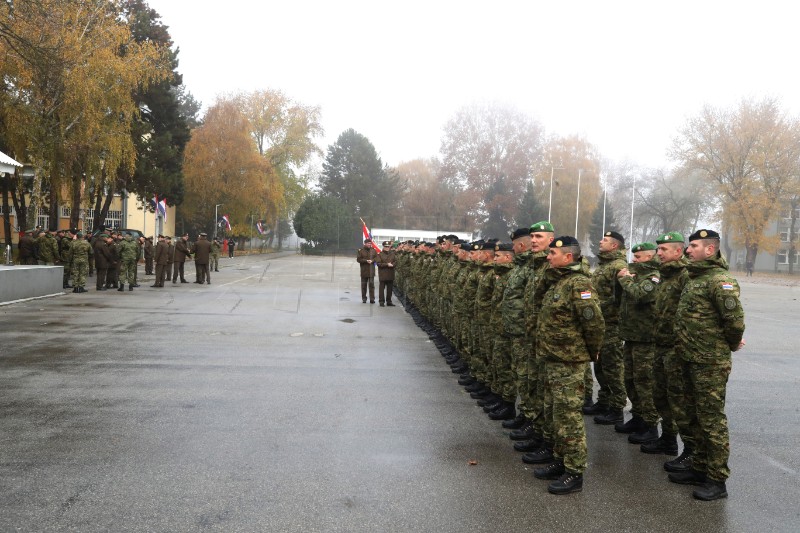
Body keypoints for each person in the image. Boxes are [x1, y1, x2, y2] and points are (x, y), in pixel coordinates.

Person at [668, 229, 745, 501]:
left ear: (710, 250)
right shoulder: (694, 277)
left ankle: (716, 479)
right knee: (692, 415)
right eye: (689, 246)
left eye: (694, 246)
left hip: (709, 362)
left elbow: (734, 322)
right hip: (688, 358)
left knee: (711, 420)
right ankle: (699, 467)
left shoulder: (720, 281)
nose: (688, 250)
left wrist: (730, 345)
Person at [532, 236, 604, 495]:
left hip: (569, 361)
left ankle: (574, 472)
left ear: (568, 256)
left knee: (568, 417)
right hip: (553, 358)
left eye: (553, 253)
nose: (548, 257)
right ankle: (560, 461)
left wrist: (590, 351)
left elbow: (593, 323)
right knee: (554, 413)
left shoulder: (579, 284)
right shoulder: (558, 281)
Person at [616, 242, 661, 443]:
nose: (634, 260)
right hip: (631, 336)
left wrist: (625, 281)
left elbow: (642, 294)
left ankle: (650, 426)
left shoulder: (654, 276)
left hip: (646, 339)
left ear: (650, 257)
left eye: (639, 257)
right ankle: (638, 416)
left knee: (644, 383)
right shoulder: (636, 276)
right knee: (630, 380)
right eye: (634, 257)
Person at [590, 231, 629, 425]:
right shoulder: (604, 265)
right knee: (600, 366)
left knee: (613, 369)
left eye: (604, 240)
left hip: (611, 324)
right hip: (600, 323)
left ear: (614, 246)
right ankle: (604, 402)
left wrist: (597, 306)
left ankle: (617, 408)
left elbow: (619, 299)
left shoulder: (618, 266)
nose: (600, 241)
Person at [356, 238, 378, 303]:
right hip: (364, 271)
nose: (369, 244)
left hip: (371, 271)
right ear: (364, 244)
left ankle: (372, 299)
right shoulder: (361, 251)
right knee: (364, 286)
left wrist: (373, 260)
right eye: (368, 243)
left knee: (371, 285)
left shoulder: (373, 250)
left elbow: (377, 258)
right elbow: (358, 259)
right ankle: (364, 298)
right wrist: (366, 261)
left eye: (370, 243)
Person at [376, 240, 396, 306]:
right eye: (386, 246)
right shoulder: (380, 254)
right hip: (383, 274)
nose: (387, 248)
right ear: (383, 247)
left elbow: (395, 261)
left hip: (390, 273)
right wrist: (387, 264)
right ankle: (381, 301)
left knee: (390, 289)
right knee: (382, 289)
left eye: (388, 246)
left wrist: (393, 264)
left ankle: (389, 301)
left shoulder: (393, 254)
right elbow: (378, 263)